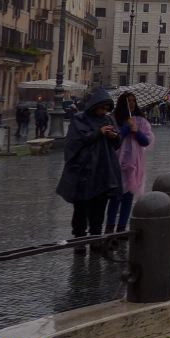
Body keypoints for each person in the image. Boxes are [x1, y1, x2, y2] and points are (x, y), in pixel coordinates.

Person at [56, 88, 122, 252]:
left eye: (107, 108)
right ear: (94, 106)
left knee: (99, 208)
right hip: (84, 171)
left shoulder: (108, 120)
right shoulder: (80, 119)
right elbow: (75, 142)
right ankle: (79, 239)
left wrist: (115, 137)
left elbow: (117, 144)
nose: (104, 111)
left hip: (103, 171)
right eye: (102, 107)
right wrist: (98, 133)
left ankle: (95, 238)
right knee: (81, 207)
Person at [106, 92, 153, 233]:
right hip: (117, 162)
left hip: (133, 163)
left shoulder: (139, 120)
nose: (132, 103)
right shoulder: (113, 119)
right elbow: (116, 139)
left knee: (128, 197)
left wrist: (137, 131)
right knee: (115, 196)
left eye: (134, 101)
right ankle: (109, 227)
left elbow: (146, 141)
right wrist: (127, 128)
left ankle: (121, 228)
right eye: (128, 101)